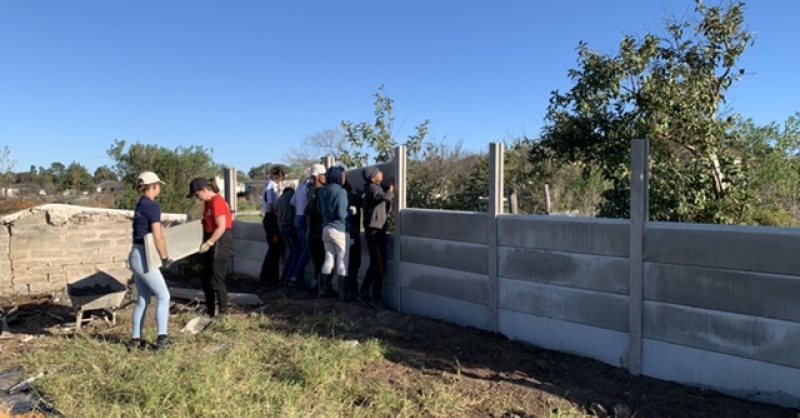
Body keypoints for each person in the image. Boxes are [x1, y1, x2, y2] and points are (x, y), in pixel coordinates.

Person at [128, 171, 172, 350]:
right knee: (164, 296)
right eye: (159, 185)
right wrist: (165, 257)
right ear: (153, 186)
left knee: (144, 299)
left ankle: (135, 340)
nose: (160, 188)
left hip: (135, 254)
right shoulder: (153, 207)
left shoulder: (140, 205)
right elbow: (158, 236)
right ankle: (162, 339)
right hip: (145, 257)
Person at [188, 177, 234, 318]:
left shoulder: (217, 202)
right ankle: (210, 311)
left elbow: (221, 227)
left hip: (220, 240)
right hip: (211, 238)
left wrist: (210, 243)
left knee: (216, 279)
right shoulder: (208, 203)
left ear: (205, 190)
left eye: (197, 195)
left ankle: (223, 313)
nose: (197, 198)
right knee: (206, 278)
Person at [360, 166, 394, 310]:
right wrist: (392, 187)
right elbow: (386, 197)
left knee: (375, 263)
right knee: (380, 266)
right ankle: (376, 298)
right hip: (375, 231)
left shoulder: (372, 187)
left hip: (373, 230)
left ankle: (363, 291)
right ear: (374, 178)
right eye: (379, 172)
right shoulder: (373, 189)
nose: (382, 173)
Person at [289, 164, 322, 289]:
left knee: (298, 249)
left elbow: (292, 202)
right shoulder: (311, 188)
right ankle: (296, 277)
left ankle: (291, 275)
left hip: (296, 217)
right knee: (307, 250)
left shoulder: (301, 185)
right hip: (304, 218)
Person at [318, 166, 348, 298]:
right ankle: (342, 293)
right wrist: (350, 213)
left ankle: (322, 290)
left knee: (328, 259)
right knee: (342, 261)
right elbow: (342, 213)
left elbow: (319, 209)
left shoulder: (323, 191)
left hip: (326, 228)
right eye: (343, 176)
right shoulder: (341, 192)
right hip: (339, 229)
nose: (344, 178)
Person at [259, 166, 285, 288]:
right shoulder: (271, 186)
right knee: (274, 249)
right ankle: (269, 278)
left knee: (273, 249)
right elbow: (271, 204)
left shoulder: (266, 185)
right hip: (271, 219)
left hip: (268, 218)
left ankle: (266, 277)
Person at [304, 164, 327, 293]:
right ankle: (322, 286)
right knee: (321, 259)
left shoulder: (310, 191)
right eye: (323, 175)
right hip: (318, 231)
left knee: (318, 260)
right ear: (317, 177)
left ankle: (318, 283)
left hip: (314, 231)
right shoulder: (319, 192)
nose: (326, 178)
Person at [275, 185, 300, 287]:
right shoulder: (291, 195)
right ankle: (291, 276)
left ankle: (284, 276)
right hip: (290, 225)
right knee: (297, 250)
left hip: (281, 227)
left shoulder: (279, 199)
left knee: (291, 250)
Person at [343, 176, 363, 301]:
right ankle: (351, 290)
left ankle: (346, 290)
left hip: (342, 233)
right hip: (352, 233)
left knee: (345, 262)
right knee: (353, 263)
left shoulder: (335, 198)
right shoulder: (352, 197)